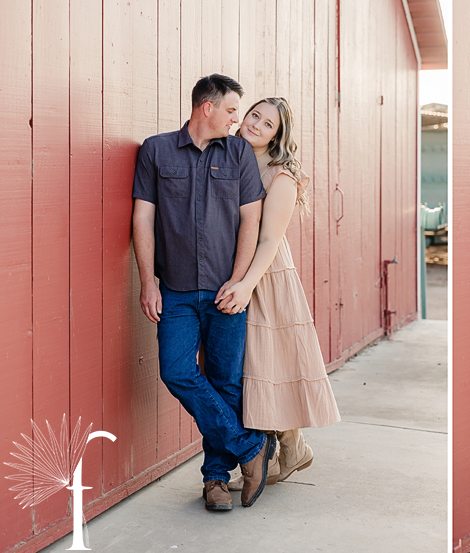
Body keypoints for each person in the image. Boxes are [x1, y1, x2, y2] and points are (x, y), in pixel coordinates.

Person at [132, 74, 277, 511]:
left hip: (224, 292)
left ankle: (215, 479)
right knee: (176, 372)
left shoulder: (237, 154)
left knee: (225, 382)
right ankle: (251, 448)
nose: (239, 120)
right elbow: (142, 219)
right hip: (174, 291)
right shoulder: (155, 150)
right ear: (206, 108)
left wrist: (239, 281)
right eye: (233, 110)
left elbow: (250, 221)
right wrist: (146, 281)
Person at [214, 97, 341, 491]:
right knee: (252, 366)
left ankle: (278, 454)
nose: (255, 124)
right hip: (231, 268)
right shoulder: (230, 156)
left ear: (277, 135)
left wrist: (247, 283)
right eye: (254, 115)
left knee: (267, 364)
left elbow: (270, 240)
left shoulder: (281, 174)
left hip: (264, 275)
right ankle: (293, 448)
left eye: (267, 124)